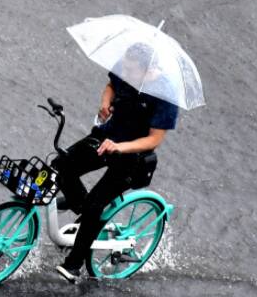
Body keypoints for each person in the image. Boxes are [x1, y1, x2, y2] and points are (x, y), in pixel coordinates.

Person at [51, 42, 179, 283]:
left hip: (132, 156)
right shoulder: (126, 68)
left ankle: (74, 264)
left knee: (94, 205)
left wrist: (120, 147)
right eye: (125, 67)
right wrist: (105, 103)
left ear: (148, 70)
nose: (125, 73)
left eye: (131, 70)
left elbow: (154, 139)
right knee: (62, 166)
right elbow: (111, 86)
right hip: (105, 137)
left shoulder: (165, 95)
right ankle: (83, 207)